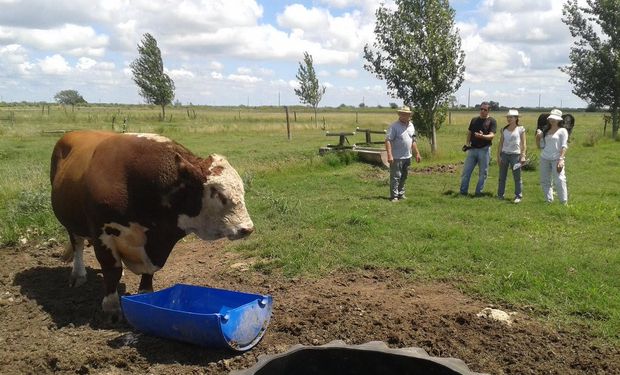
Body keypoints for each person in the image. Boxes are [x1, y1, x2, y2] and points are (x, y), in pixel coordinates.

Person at [459, 102, 497, 196]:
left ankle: (478, 193)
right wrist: (467, 144)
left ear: (488, 111)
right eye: (481, 109)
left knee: (483, 173)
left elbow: (492, 135)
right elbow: (469, 133)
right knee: (466, 172)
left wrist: (482, 136)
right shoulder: (474, 120)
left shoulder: (492, 121)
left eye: (485, 110)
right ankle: (463, 192)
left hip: (484, 150)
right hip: (472, 149)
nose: (482, 111)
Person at [385, 106, 421, 202]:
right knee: (396, 177)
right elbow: (388, 141)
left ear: (410, 115)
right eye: (403, 114)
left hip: (408, 156)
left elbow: (413, 140)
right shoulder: (394, 126)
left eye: (407, 114)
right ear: (400, 114)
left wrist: (417, 153)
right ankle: (394, 196)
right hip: (397, 157)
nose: (405, 116)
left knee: (404, 176)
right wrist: (389, 155)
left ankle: (401, 194)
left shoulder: (411, 126)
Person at [536, 108, 569, 204]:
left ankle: (564, 202)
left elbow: (564, 146)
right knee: (545, 180)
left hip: (556, 159)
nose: (551, 120)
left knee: (560, 180)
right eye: (550, 119)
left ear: (559, 120)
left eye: (554, 119)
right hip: (544, 158)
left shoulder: (562, 131)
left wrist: (561, 159)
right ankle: (548, 200)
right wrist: (538, 138)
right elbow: (540, 146)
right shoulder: (545, 130)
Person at [497, 109, 527, 203]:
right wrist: (498, 156)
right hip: (504, 154)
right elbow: (501, 143)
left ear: (516, 118)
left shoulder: (521, 129)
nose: (509, 119)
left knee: (517, 177)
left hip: (516, 155)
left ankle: (518, 196)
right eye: (508, 117)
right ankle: (500, 195)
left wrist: (523, 156)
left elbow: (523, 144)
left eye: (511, 117)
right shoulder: (504, 129)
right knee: (502, 176)